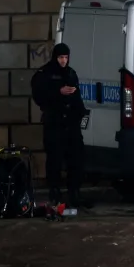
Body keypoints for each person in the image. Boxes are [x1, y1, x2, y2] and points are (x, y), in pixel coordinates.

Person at [30, 42, 89, 209]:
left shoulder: (71, 73)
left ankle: (74, 193)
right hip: (54, 123)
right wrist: (58, 92)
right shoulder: (44, 74)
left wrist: (81, 113)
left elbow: (77, 97)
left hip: (71, 124)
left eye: (66, 57)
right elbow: (39, 96)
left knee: (76, 160)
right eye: (61, 57)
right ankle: (55, 192)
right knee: (54, 161)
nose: (63, 61)